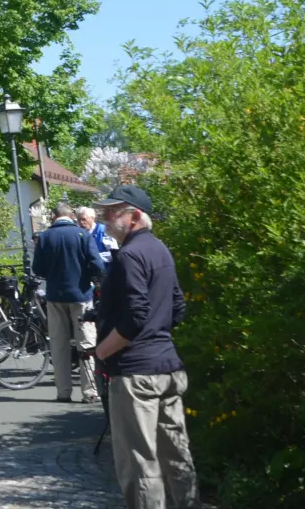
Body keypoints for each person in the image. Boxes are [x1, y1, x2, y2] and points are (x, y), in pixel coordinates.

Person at [93, 185, 198, 509]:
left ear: (135, 216)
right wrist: (156, 334)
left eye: (113, 212)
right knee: (176, 454)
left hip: (137, 375)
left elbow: (135, 319)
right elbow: (177, 307)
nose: (105, 218)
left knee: (141, 466)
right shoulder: (160, 250)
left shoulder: (130, 255)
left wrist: (101, 352)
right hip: (167, 368)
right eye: (105, 212)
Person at [34, 203, 106, 403]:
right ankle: (90, 391)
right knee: (86, 343)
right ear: (71, 216)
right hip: (81, 295)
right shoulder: (83, 235)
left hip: (55, 295)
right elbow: (97, 264)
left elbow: (37, 268)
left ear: (54, 217)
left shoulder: (45, 237)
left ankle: (63, 392)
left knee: (59, 345)